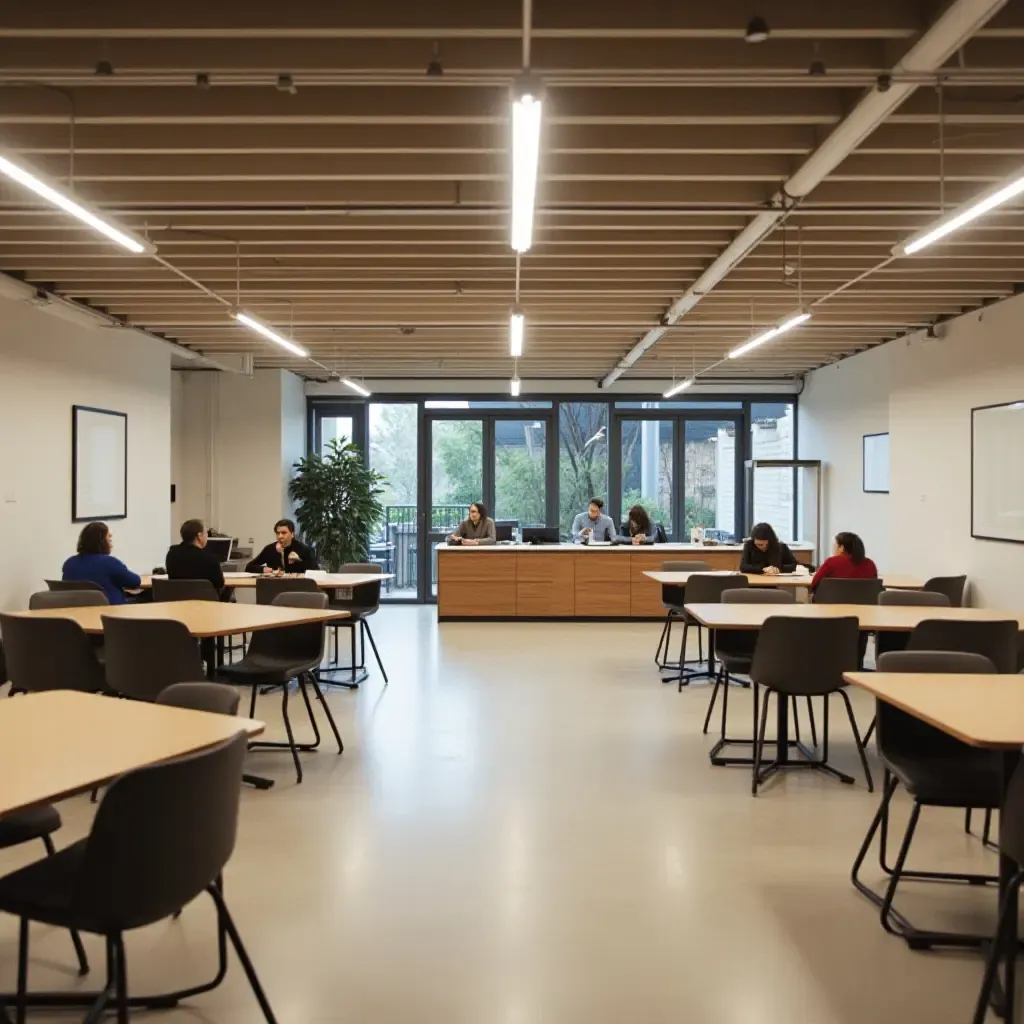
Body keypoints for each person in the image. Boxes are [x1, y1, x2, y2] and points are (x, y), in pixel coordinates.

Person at [62, 521, 142, 605]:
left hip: (76, 612)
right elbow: (135, 582)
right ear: (102, 542)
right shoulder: (110, 563)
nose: (111, 544)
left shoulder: (69, 563)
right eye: (109, 539)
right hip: (110, 612)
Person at [165, 519, 226, 595]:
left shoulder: (171, 555)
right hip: (206, 604)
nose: (207, 536)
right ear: (200, 536)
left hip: (177, 603)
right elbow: (220, 584)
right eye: (206, 532)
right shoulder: (210, 559)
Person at [246, 519, 319, 575]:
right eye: (278, 533)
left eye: (284, 533)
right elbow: (249, 567)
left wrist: (299, 560)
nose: (280, 536)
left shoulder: (303, 549)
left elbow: (316, 571)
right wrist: (263, 569)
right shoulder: (270, 549)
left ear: (292, 534)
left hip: (297, 588)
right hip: (275, 587)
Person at [810, 531, 878, 590]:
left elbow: (814, 584)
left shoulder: (831, 562)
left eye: (835, 545)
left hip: (832, 603)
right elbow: (875, 587)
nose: (833, 548)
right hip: (865, 603)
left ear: (841, 548)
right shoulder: (870, 564)